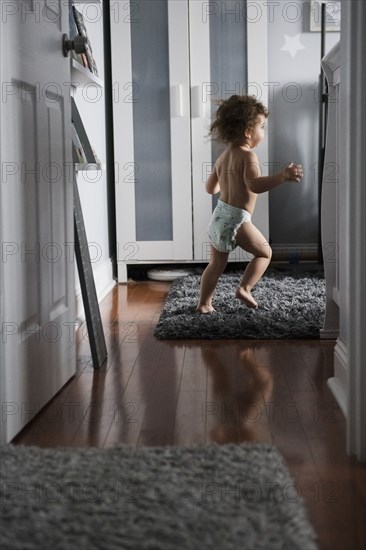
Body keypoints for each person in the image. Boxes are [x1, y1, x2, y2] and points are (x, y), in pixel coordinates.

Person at [196, 95, 303, 313]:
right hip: (237, 220)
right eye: (261, 127)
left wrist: (226, 183)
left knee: (215, 265)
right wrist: (282, 176)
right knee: (264, 253)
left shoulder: (223, 157)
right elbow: (254, 185)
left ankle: (204, 304)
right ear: (247, 132)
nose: (263, 132)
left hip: (219, 217)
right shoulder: (248, 157)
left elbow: (210, 189)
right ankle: (244, 287)